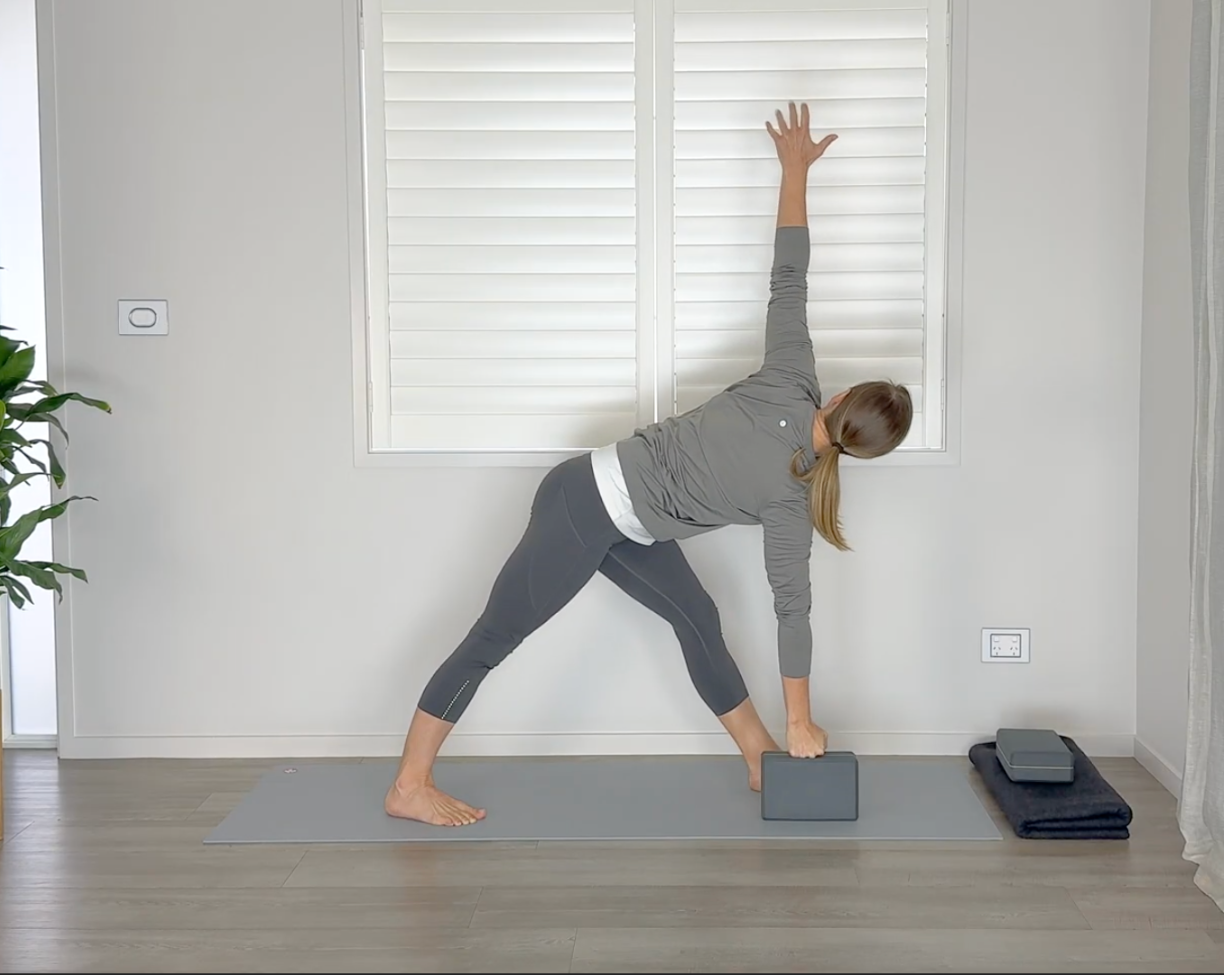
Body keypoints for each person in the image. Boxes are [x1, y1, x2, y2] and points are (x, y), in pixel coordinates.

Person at [385, 103, 915, 826]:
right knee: (494, 637)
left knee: (697, 616)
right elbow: (793, 610)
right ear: (864, 452)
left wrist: (793, 171)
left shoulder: (792, 377)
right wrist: (804, 717)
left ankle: (759, 758)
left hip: (617, 515)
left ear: (843, 395)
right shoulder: (792, 498)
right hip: (586, 506)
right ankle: (409, 786)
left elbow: (789, 275)